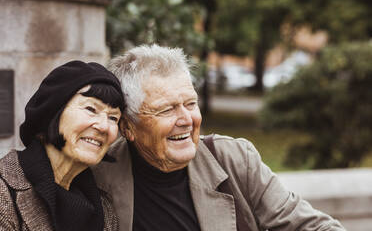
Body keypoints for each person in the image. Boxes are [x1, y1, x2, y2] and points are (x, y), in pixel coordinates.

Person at [93, 44, 346, 231]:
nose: (186, 119)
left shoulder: (233, 159)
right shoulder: (97, 175)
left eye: (190, 103)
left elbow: (313, 226)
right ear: (127, 127)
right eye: (167, 109)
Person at [0, 60, 126, 231]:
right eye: (91, 109)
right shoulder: (4, 193)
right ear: (53, 112)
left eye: (113, 118)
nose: (104, 126)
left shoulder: (105, 210)